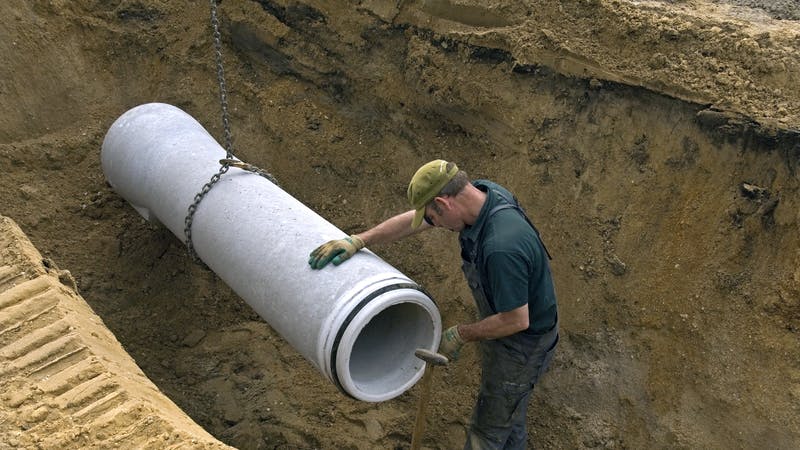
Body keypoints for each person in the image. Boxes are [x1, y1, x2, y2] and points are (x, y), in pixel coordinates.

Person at [308, 159, 559, 449]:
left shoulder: (501, 247)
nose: (434, 225)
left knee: (488, 431)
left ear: (443, 202)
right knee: (510, 415)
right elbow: (413, 223)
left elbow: (516, 319)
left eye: (432, 217)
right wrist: (360, 240)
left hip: (523, 345)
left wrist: (461, 334)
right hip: (511, 329)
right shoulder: (481, 195)